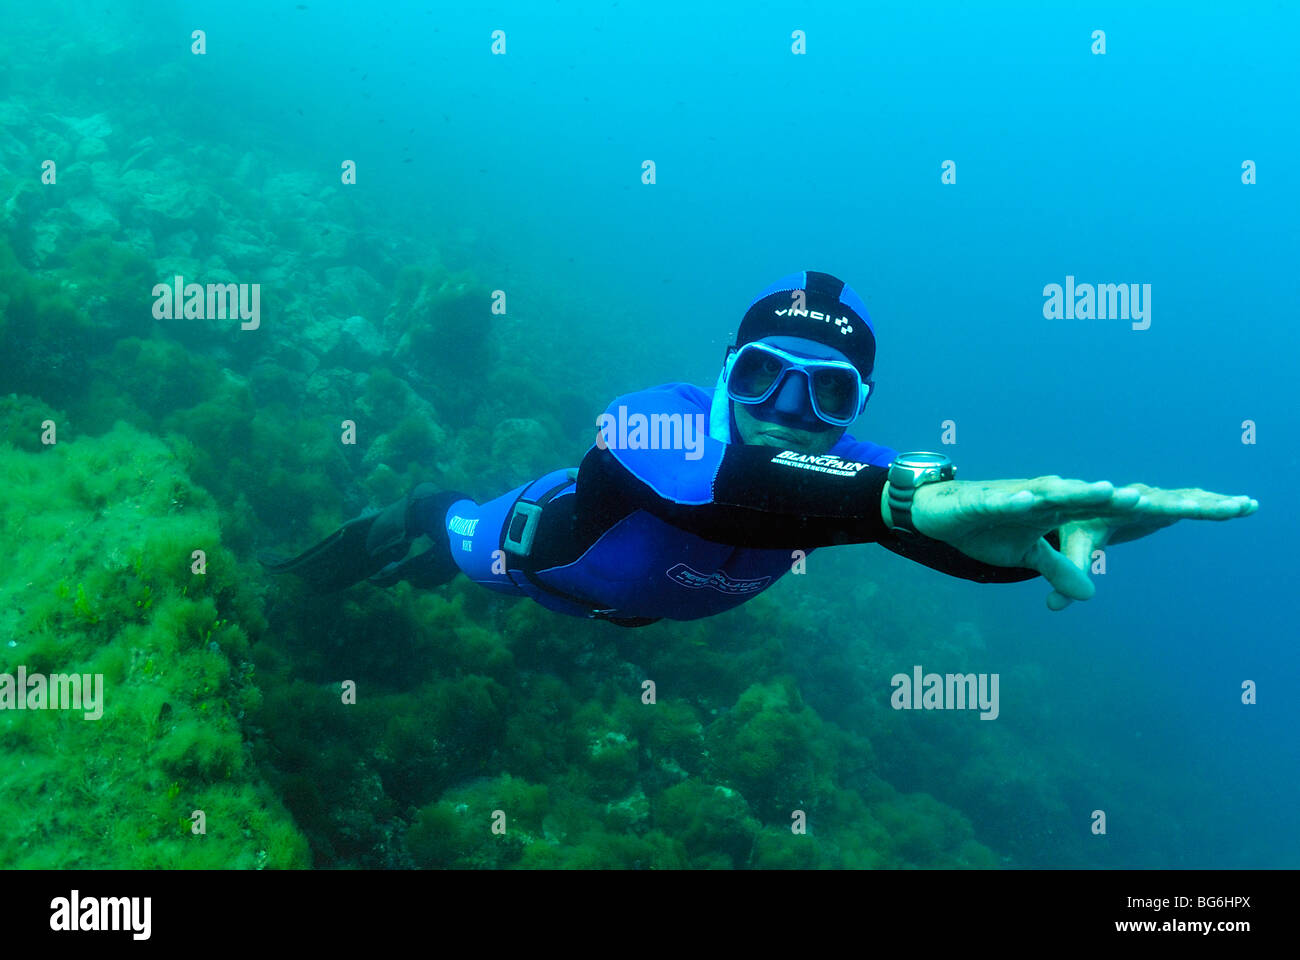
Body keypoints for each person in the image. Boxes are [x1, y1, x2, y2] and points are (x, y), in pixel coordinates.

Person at [264, 270, 1258, 625]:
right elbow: (717, 488)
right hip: (524, 559)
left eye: (824, 392)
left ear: (855, 407)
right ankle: (337, 565)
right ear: (721, 370)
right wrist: (898, 503)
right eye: (758, 376)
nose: (785, 407)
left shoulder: (860, 476)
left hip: (636, 620)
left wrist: (1060, 538)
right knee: (442, 527)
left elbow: (965, 538)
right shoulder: (655, 417)